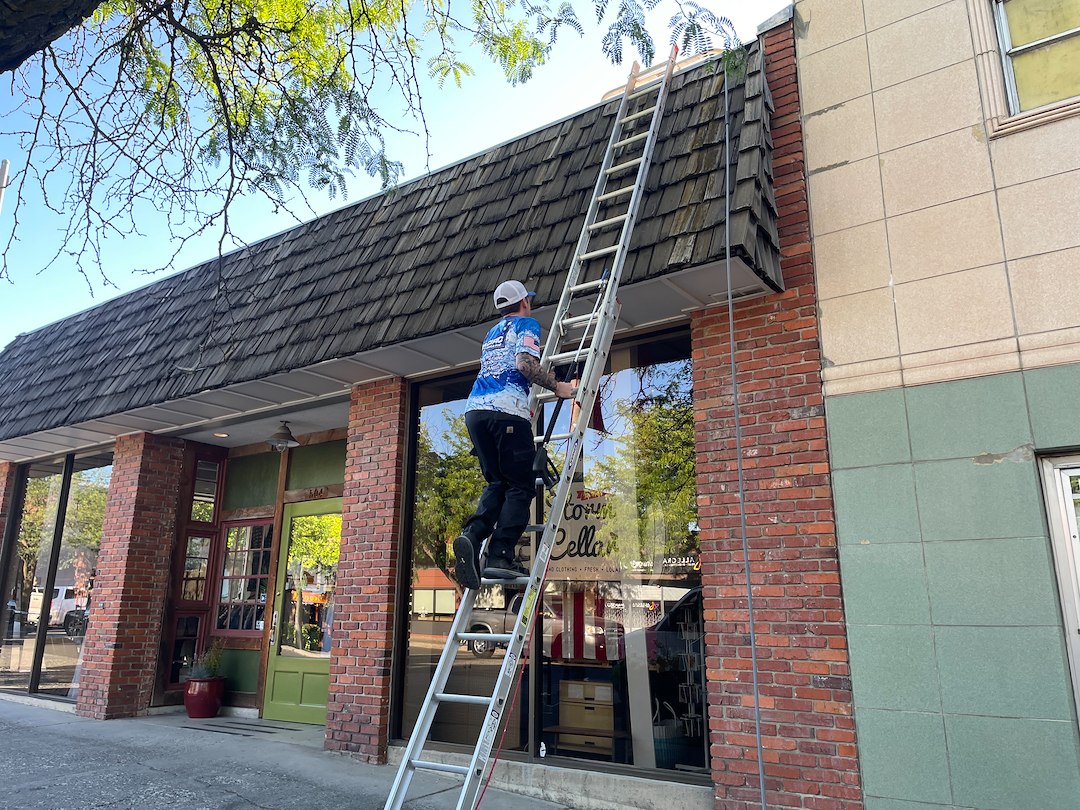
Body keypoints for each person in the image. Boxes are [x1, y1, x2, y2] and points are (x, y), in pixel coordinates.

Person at [454, 280, 574, 590]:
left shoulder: (491, 334)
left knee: (498, 481)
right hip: (506, 412)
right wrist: (558, 386)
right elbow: (524, 364)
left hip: (475, 414)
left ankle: (473, 534)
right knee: (520, 485)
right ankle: (500, 556)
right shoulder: (526, 324)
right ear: (524, 302)